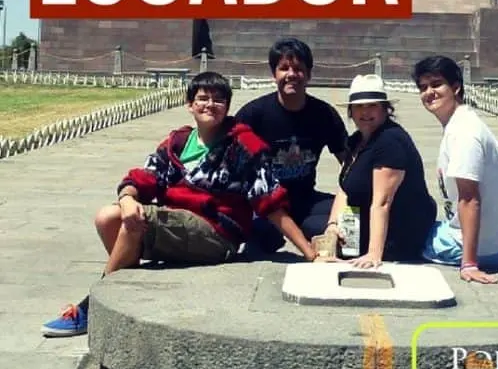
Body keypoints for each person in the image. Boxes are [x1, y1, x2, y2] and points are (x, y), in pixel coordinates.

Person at [42, 71, 318, 337]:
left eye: (219, 100)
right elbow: (146, 176)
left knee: (137, 221)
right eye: (203, 98)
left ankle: (94, 308)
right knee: (107, 217)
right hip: (178, 223)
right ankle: (125, 290)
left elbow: (269, 201)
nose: (211, 105)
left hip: (217, 234)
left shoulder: (243, 145)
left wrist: (308, 252)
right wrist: (127, 198)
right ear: (190, 105)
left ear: (228, 107)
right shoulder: (179, 142)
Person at [413, 55, 498, 284]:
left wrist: (470, 264)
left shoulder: (464, 133)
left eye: (436, 85)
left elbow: (469, 199)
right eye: (423, 87)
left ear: (456, 87)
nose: (429, 93)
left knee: (403, 237)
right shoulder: (461, 122)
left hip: (492, 249)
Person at [234, 38, 348, 250]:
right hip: (263, 204)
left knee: (349, 221)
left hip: (305, 200)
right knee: (263, 239)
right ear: (273, 74)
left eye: (298, 69)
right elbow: (227, 160)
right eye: (284, 68)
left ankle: (307, 230)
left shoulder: (324, 114)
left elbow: (349, 163)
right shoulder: (254, 114)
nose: (291, 75)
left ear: (309, 74)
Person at [323, 74, 437, 267]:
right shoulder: (356, 140)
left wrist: (374, 254)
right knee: (314, 224)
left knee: (310, 228)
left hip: (398, 229)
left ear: (385, 109)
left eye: (372, 105)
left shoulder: (390, 141)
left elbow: (382, 202)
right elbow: (344, 187)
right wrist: (332, 225)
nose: (365, 112)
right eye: (359, 106)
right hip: (361, 216)